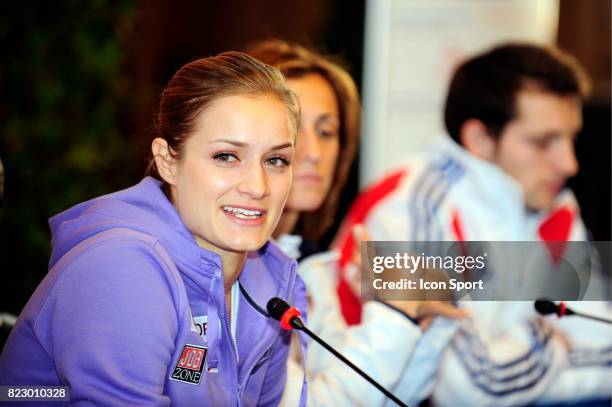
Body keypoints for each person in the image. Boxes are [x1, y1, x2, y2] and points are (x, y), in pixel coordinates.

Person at [0, 51, 308, 406]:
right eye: (226, 156)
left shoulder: (269, 279)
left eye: (276, 160)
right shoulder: (121, 267)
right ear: (167, 162)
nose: (257, 185)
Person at [336, 43, 612, 405]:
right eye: (544, 142)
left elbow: (602, 341)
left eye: (570, 138)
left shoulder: (553, 203)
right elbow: (468, 390)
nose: (569, 163)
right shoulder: (413, 208)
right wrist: (548, 342)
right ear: (479, 139)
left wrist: (515, 354)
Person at [249, 40, 468, 406]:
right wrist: (394, 316)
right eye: (294, 126)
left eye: (326, 131)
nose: (314, 153)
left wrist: (422, 320)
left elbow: (379, 394)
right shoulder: (233, 261)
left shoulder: (310, 263)